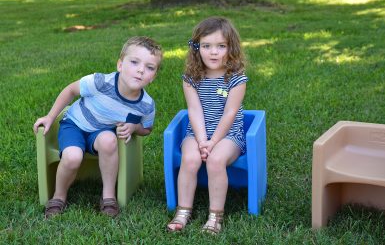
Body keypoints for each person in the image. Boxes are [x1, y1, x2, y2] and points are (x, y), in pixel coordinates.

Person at [33, 36, 162, 219]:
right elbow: (70, 90)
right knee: (72, 156)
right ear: (120, 65)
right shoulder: (101, 82)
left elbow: (147, 129)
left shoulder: (145, 105)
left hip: (101, 132)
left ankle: (108, 196)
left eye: (150, 67)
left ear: (153, 77)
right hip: (75, 126)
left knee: (109, 140)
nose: (141, 70)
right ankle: (59, 196)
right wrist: (50, 116)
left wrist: (134, 128)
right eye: (134, 62)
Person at [167, 17, 247, 234]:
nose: (213, 52)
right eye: (206, 46)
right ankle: (183, 211)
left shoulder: (236, 78)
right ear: (196, 48)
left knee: (216, 160)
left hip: (229, 135)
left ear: (231, 48)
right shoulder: (191, 77)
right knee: (190, 158)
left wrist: (213, 142)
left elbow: (230, 114)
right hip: (198, 131)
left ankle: (215, 216)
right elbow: (194, 110)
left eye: (221, 46)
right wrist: (202, 140)